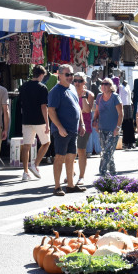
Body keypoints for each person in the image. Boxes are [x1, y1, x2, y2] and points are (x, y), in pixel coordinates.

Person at [47, 64, 86, 196]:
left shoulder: (73, 89)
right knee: (59, 157)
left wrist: (82, 124)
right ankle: (57, 186)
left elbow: (78, 108)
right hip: (61, 130)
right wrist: (59, 127)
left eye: (71, 75)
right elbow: (51, 110)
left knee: (70, 157)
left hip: (73, 129)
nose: (70, 77)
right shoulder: (55, 91)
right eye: (67, 75)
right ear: (59, 75)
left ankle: (70, 185)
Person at [18, 65, 51, 181]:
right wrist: (47, 123)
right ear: (41, 75)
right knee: (46, 142)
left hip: (26, 119)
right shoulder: (42, 87)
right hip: (39, 120)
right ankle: (35, 165)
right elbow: (44, 107)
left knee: (26, 146)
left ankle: (25, 172)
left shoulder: (23, 86)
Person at [93, 77, 123, 175]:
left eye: (106, 84)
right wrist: (95, 120)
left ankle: (102, 173)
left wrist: (117, 128)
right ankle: (113, 173)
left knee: (107, 152)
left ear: (111, 86)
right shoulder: (99, 97)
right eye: (102, 84)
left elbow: (121, 114)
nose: (104, 86)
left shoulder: (115, 97)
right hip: (102, 128)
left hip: (113, 129)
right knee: (107, 152)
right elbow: (97, 111)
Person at [73, 72, 94, 185]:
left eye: (80, 81)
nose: (77, 83)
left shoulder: (89, 94)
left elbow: (86, 110)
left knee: (81, 150)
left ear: (84, 82)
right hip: (71, 125)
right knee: (70, 151)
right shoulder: (70, 92)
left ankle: (81, 176)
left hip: (84, 126)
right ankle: (71, 172)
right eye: (75, 80)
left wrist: (83, 96)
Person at [119, 79, 135, 149]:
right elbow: (119, 97)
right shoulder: (120, 87)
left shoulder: (128, 86)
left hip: (129, 105)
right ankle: (125, 142)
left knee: (130, 124)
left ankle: (131, 141)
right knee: (125, 124)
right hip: (123, 105)